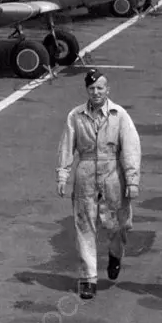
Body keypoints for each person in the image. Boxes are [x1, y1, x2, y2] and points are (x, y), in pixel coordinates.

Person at [56, 69, 142, 299]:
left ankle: (116, 254)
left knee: (119, 224)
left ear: (107, 90)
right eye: (92, 88)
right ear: (87, 90)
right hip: (85, 173)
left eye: (100, 88)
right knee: (84, 225)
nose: (96, 92)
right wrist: (63, 175)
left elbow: (132, 149)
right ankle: (88, 278)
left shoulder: (119, 115)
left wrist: (132, 181)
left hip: (113, 172)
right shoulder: (75, 116)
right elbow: (67, 147)